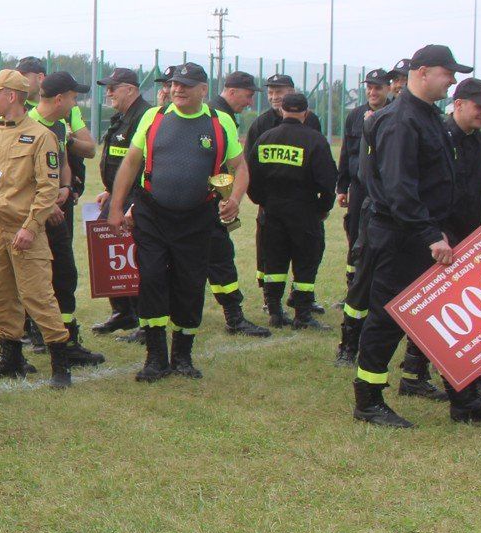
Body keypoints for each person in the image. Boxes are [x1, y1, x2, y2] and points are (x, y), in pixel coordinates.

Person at [350, 45, 481, 427]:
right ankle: (368, 400)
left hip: (427, 233)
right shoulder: (401, 121)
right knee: (387, 319)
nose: (452, 80)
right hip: (402, 237)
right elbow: (400, 189)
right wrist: (431, 234)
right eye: (448, 73)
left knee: (445, 314)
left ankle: (465, 398)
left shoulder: (427, 116)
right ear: (423, 72)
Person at [106, 62, 246, 382]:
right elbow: (131, 163)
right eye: (174, 84)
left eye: (185, 85)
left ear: (203, 90)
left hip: (198, 217)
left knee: (190, 284)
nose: (177, 89)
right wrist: (116, 207)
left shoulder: (219, 121)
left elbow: (240, 167)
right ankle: (155, 357)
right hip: (152, 213)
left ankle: (182, 356)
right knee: (152, 277)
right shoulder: (153, 117)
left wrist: (235, 198)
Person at [0, 69, 89, 387]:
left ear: (11, 96)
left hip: (26, 229)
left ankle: (60, 364)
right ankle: (10, 359)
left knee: (38, 296)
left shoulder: (41, 137)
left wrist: (31, 226)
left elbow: (47, 188)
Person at [396, 77, 481, 402]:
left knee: (462, 307)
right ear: (458, 104)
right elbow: (420, 188)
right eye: (479, 107)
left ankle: (453, 374)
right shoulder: (438, 136)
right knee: (436, 306)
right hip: (438, 234)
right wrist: (434, 232)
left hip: (468, 235)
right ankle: (421, 375)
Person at [31, 72, 106, 364]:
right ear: (60, 98)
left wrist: (64, 186)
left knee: (64, 275)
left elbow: (62, 161)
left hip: (59, 212)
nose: (76, 104)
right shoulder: (29, 126)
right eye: (74, 98)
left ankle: (67, 339)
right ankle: (38, 335)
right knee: (37, 278)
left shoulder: (60, 127)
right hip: (35, 218)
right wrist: (46, 203)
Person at [245, 92, 336, 329]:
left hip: (272, 211)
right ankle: (302, 315)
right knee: (306, 262)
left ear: (282, 110)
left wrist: (263, 202)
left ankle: (275, 312)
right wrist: (322, 208)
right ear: (306, 113)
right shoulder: (315, 140)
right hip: (304, 211)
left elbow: (251, 177)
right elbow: (328, 181)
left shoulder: (266, 138)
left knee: (274, 262)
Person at [206, 72, 271, 337]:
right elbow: (228, 165)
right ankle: (234, 317)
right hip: (206, 202)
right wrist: (229, 199)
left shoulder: (219, 113)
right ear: (232, 91)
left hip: (206, 197)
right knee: (220, 257)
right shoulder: (220, 117)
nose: (250, 102)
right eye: (248, 95)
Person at [93, 68, 151, 335]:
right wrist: (110, 190)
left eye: (113, 88)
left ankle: (143, 316)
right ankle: (122, 312)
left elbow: (145, 164)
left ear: (130, 89)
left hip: (136, 198)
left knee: (136, 258)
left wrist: (135, 203)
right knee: (107, 249)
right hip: (118, 195)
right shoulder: (123, 117)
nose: (108, 93)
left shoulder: (145, 117)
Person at [336, 68, 391, 297]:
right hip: (359, 186)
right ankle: (353, 288)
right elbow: (346, 152)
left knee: (381, 237)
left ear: (388, 88)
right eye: (369, 87)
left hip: (384, 188)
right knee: (354, 235)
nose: (372, 92)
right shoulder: (355, 115)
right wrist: (342, 187)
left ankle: (377, 288)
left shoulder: (394, 115)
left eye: (378, 87)